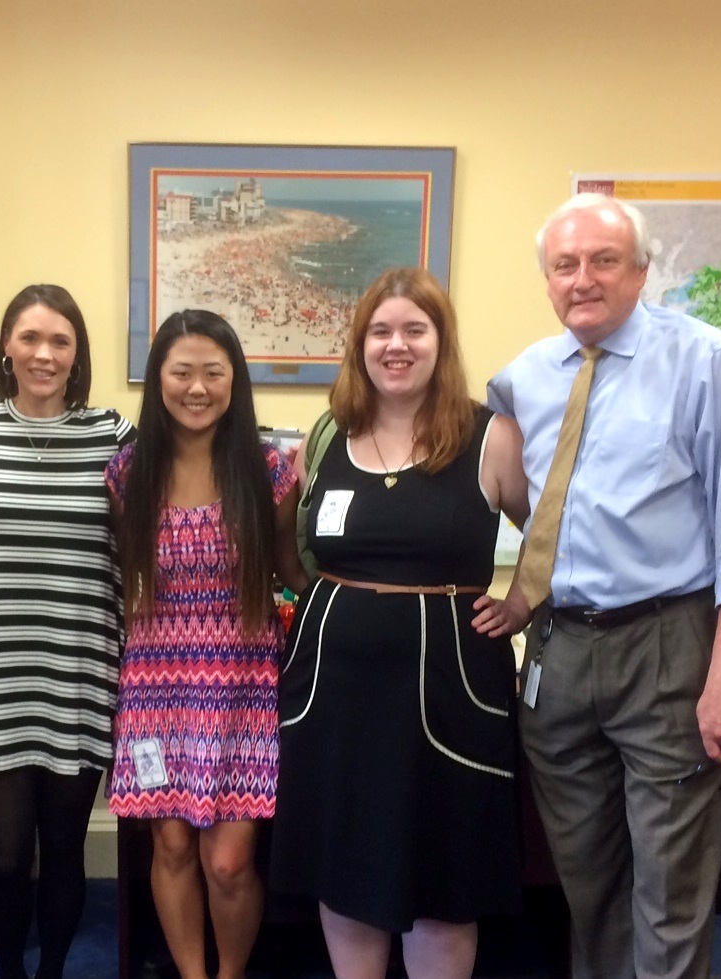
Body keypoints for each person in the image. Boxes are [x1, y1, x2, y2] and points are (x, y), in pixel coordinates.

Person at [487, 193, 721, 979]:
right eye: (565, 264)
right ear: (547, 280)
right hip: (558, 650)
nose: (582, 279)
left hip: (667, 644)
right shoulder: (523, 378)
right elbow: (535, 505)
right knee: (586, 879)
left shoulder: (706, 360)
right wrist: (517, 596)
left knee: (668, 883)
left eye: (603, 260)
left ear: (642, 271)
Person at [270, 267, 530, 979]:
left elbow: (560, 536)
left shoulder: (492, 437)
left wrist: (523, 601)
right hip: (333, 690)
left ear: (441, 342)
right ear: (359, 346)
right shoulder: (327, 435)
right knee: (344, 865)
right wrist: (325, 602)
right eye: (380, 331)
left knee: (446, 875)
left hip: (449, 688)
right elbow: (286, 541)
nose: (396, 345)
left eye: (415, 329)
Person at [0, 284, 134, 979]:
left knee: (64, 846)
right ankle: (11, 974)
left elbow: (146, 535)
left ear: (77, 352)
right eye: (30, 337)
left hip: (77, 670)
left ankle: (51, 971)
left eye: (59, 340)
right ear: (6, 349)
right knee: (4, 854)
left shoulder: (111, 434)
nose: (44, 354)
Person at [107, 310, 305, 979]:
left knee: (229, 860)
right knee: (169, 846)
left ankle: (230, 973)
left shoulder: (269, 471)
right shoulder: (129, 473)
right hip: (155, 690)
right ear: (158, 378)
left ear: (234, 380)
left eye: (213, 372)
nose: (197, 387)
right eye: (182, 371)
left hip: (241, 688)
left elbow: (291, 573)